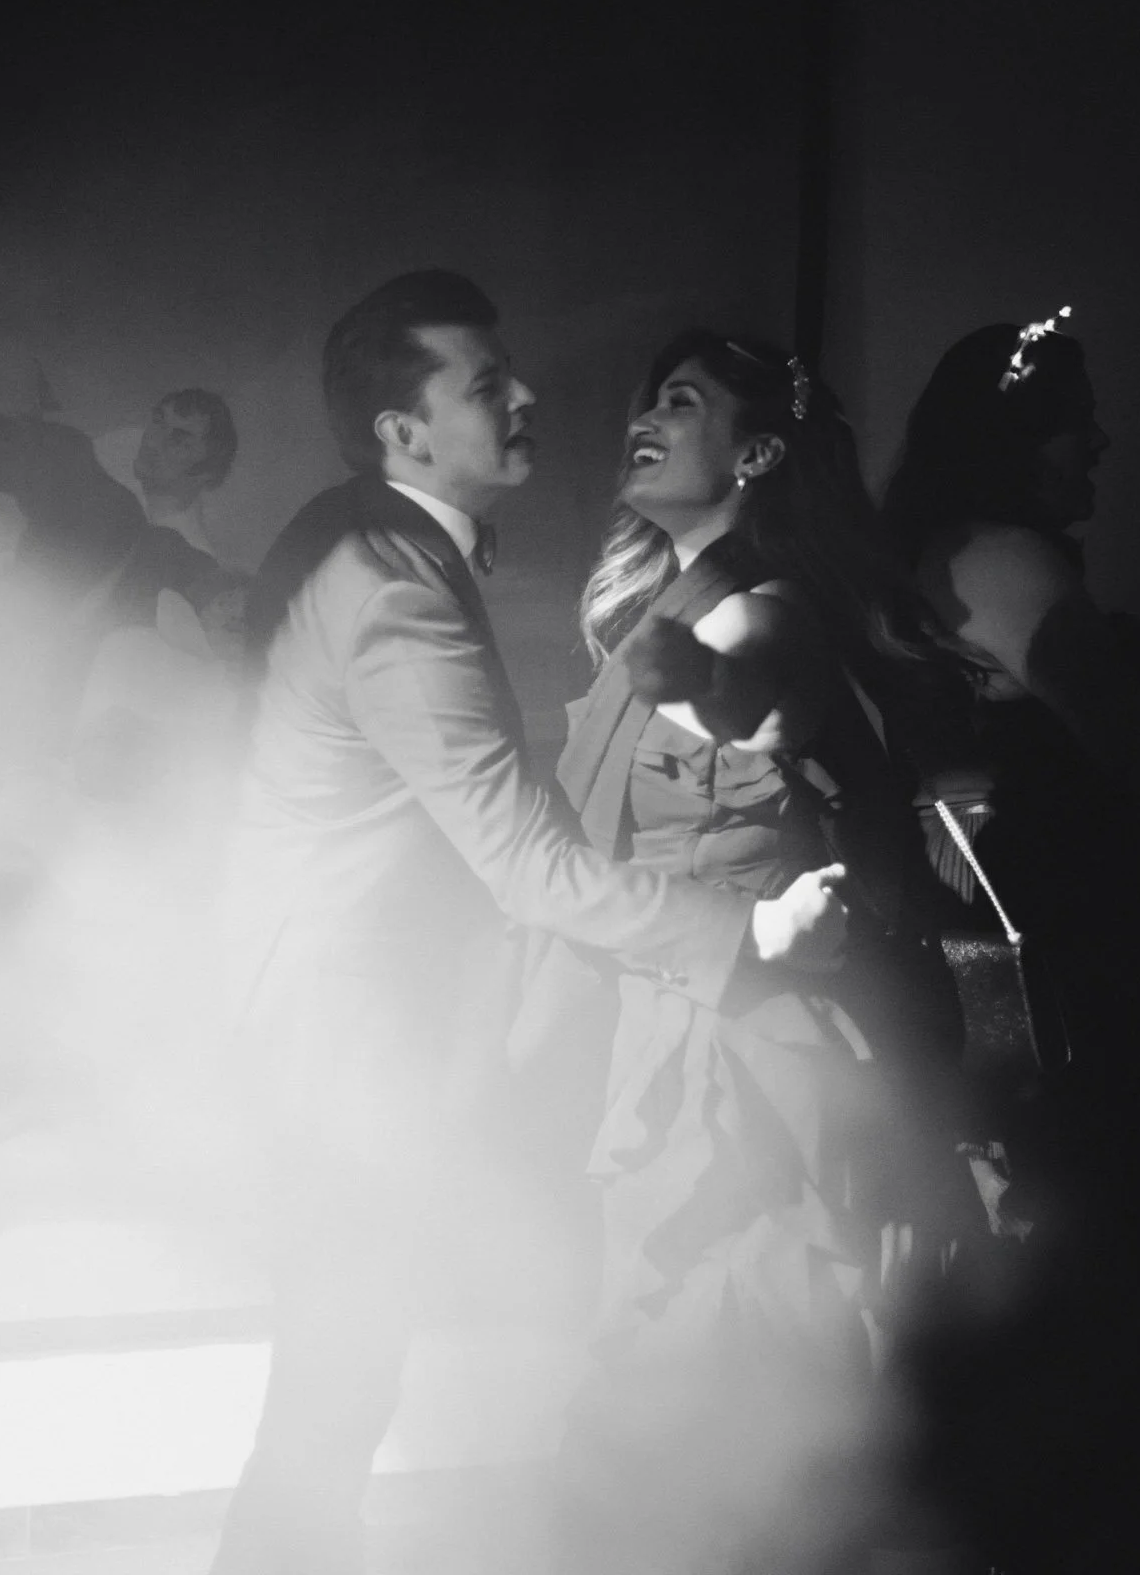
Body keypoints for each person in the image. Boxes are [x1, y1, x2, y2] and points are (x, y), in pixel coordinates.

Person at [209, 273, 843, 1575]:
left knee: (348, 1373)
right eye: (484, 386)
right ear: (404, 430)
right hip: (346, 1031)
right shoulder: (387, 574)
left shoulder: (375, 538)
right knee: (337, 1378)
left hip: (358, 1010)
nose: (528, 397)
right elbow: (521, 858)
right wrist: (749, 939)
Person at [545, 329, 978, 1575]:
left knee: (734, 1371)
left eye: (680, 401)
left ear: (758, 450)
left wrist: (698, 678)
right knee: (680, 1380)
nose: (646, 413)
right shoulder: (665, 599)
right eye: (647, 394)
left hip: (746, 1049)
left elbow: (765, 694)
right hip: (667, 1016)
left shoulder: (766, 605)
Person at [881, 315, 1140, 1571]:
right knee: (1106, 1276)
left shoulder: (943, 555)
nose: (1103, 439)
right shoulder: (1004, 560)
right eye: (1077, 417)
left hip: (1020, 990)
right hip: (1073, 988)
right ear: (1015, 440)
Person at [0, 260, 238, 778]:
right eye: (159, 421)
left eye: (181, 438)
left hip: (38, 722)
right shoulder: (89, 473)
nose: (157, 440)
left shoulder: (185, 556)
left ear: (207, 472)